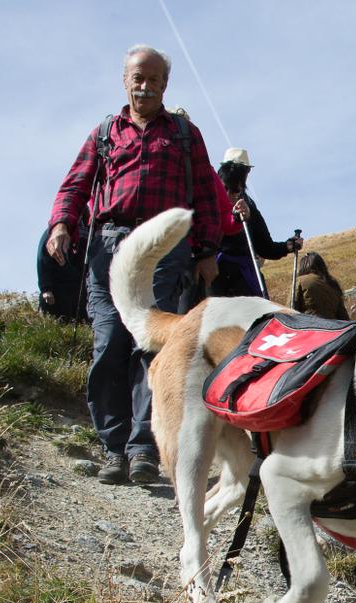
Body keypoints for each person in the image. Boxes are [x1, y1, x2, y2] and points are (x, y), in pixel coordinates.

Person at [46, 44, 223, 486]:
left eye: (154, 80)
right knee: (108, 343)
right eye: (137, 78)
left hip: (165, 250)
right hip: (110, 248)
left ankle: (143, 446)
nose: (145, 86)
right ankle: (112, 445)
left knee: (151, 345)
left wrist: (205, 252)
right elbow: (76, 184)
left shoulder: (184, 134)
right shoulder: (105, 132)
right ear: (124, 80)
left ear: (166, 84)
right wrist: (61, 224)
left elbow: (204, 193)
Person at [209, 148, 301, 298]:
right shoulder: (208, 200)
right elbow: (266, 248)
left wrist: (288, 246)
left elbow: (265, 247)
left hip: (239, 278)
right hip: (217, 277)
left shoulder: (248, 207)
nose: (230, 193)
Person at [36, 222, 89, 323]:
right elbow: (43, 258)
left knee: (80, 321)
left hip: (80, 289)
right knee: (55, 321)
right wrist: (46, 288)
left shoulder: (89, 231)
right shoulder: (54, 233)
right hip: (58, 288)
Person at [291, 251, 349, 320]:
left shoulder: (299, 281)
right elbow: (343, 317)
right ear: (321, 265)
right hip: (332, 327)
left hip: (309, 326)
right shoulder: (332, 284)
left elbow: (290, 310)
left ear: (302, 266)